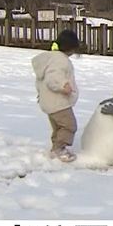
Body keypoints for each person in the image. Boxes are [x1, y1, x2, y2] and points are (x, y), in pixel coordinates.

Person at [31, 30, 81, 162]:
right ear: (71, 48)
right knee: (69, 126)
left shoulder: (51, 58)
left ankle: (55, 148)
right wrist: (63, 85)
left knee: (58, 127)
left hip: (48, 102)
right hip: (58, 103)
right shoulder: (60, 60)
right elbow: (52, 78)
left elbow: (41, 80)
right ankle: (59, 149)